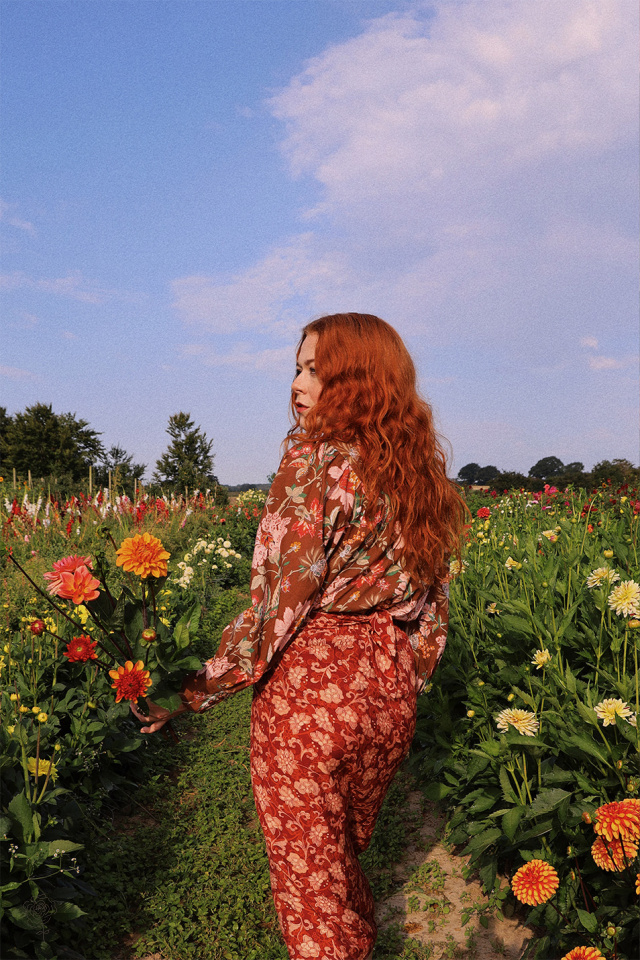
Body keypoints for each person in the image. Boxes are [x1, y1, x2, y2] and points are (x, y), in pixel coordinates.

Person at [132, 313, 466, 960]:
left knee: (311, 892)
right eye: (298, 366)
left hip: (310, 698)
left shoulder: (312, 462)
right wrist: (407, 678)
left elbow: (280, 601)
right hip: (389, 690)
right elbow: (434, 603)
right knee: (337, 861)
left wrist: (197, 689)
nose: (298, 382)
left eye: (317, 370)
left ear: (358, 380)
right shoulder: (414, 473)